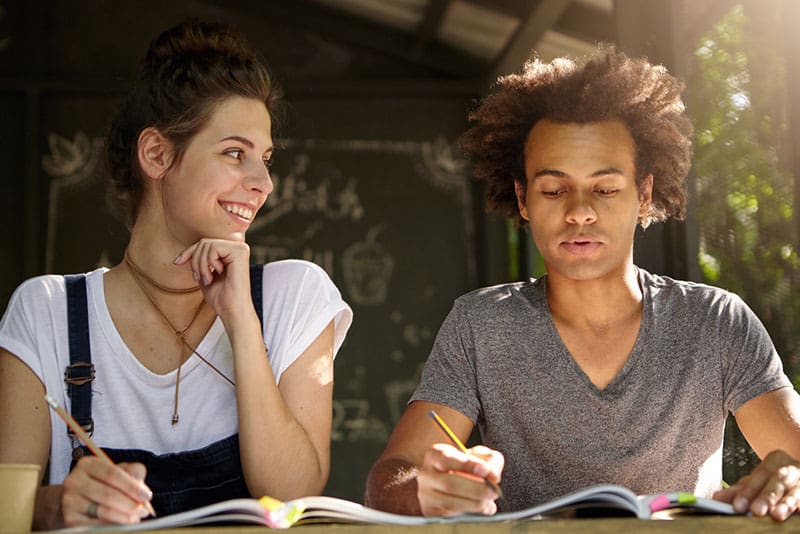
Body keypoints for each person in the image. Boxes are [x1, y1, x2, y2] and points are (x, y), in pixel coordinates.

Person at [365, 46, 800, 522]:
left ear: (644, 194)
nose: (579, 211)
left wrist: (791, 476)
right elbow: (390, 477)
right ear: (523, 198)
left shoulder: (716, 322)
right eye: (553, 190)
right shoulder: (480, 325)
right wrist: (425, 489)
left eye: (606, 188)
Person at [0, 20, 352, 529]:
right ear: (156, 154)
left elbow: (290, 492)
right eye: (236, 154)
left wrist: (241, 322)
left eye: (266, 159)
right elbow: (7, 514)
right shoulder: (47, 312)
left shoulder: (292, 294)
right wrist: (60, 505)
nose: (264, 183)